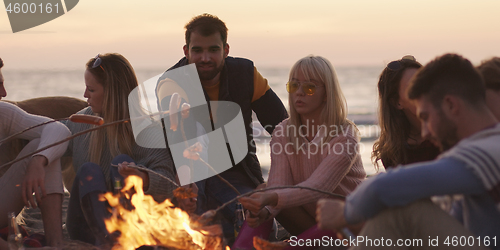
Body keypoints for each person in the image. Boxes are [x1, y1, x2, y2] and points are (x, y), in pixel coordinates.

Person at [316, 53, 500, 250]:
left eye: (426, 117)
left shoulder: (489, 148)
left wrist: (346, 211)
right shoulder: (481, 148)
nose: (426, 131)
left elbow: (384, 186)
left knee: (404, 212)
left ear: (451, 105)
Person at [163, 13, 288, 243]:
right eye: (197, 50)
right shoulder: (171, 83)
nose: (205, 57)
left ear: (226, 49)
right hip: (191, 171)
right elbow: (173, 143)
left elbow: (282, 128)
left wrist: (272, 181)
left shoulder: (246, 74)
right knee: (192, 227)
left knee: (253, 220)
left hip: (236, 170)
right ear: (186, 51)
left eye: (213, 49)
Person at [237, 55, 365, 249]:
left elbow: (317, 188)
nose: (299, 93)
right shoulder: (282, 131)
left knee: (271, 195)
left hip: (350, 228)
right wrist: (263, 212)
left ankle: (291, 246)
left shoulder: (344, 136)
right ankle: (242, 247)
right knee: (264, 191)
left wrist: (271, 198)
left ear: (327, 94)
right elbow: (278, 187)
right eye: (294, 86)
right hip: (311, 222)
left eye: (310, 87)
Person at [64, 53, 178, 246]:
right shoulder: (81, 121)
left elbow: (168, 184)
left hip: (131, 225)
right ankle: (112, 242)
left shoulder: (147, 130)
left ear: (111, 93)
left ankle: (118, 239)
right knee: (88, 171)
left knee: (121, 163)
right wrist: (39, 159)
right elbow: (47, 133)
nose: (84, 96)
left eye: (91, 89)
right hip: (86, 226)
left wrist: (142, 177)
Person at [0, 57, 70, 249]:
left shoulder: (2, 113)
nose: (4, 93)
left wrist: (38, 161)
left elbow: (58, 129)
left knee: (44, 146)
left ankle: (56, 243)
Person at [372, 55, 440, 169]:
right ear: (396, 102)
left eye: (426, 82)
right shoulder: (393, 153)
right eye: (415, 87)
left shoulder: (451, 134)